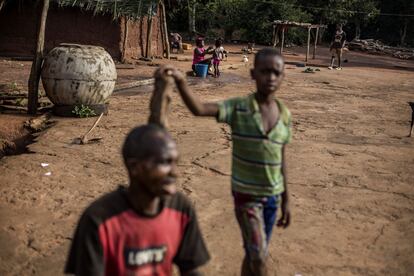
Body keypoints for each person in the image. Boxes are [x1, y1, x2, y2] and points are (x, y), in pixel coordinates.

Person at [161, 47, 292, 276]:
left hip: (272, 197)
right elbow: (199, 109)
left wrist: (286, 200)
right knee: (259, 257)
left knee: (253, 254)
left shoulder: (284, 114)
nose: (270, 77)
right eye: (264, 71)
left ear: (282, 76)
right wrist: (181, 82)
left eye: (276, 72)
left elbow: (281, 158)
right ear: (253, 74)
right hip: (247, 196)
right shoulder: (239, 108)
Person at [65, 125, 210, 276]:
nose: (175, 173)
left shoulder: (181, 208)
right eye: (164, 163)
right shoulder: (98, 219)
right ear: (134, 167)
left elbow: (190, 270)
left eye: (175, 162)